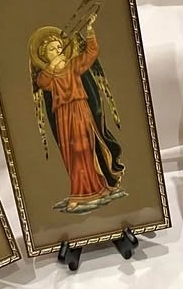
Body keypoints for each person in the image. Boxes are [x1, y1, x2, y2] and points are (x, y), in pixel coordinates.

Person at [33, 14, 124, 212]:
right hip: (63, 116)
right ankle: (78, 193)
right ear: (45, 55)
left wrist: (89, 30)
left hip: (80, 110)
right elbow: (42, 83)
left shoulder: (73, 65)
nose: (57, 51)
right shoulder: (48, 74)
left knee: (86, 148)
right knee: (71, 153)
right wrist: (51, 67)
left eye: (59, 47)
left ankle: (98, 187)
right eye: (52, 49)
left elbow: (91, 53)